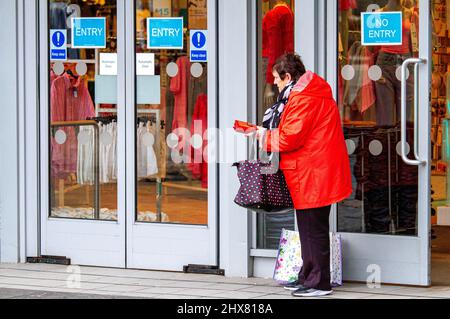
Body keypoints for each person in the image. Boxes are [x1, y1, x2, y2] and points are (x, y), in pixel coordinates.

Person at [257, 53, 352, 297]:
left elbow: (289, 137)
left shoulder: (303, 98)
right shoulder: (308, 93)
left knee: (313, 228)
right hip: (313, 170)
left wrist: (262, 136)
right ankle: (308, 276)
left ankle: (319, 282)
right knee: (309, 227)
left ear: (288, 77)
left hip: (312, 172)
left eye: (277, 79)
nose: (275, 84)